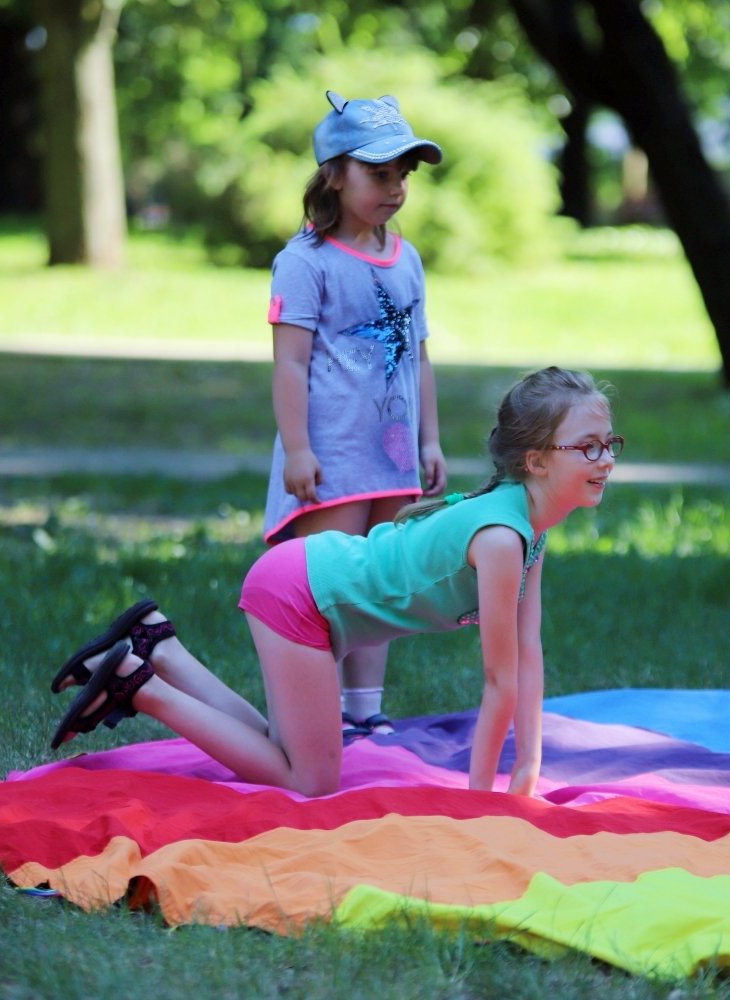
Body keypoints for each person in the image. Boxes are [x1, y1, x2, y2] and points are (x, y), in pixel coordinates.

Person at [49, 368, 621, 798]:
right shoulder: (501, 538)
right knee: (312, 782)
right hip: (301, 593)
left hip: (316, 590)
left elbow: (528, 655)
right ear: (537, 461)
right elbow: (499, 682)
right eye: (588, 446)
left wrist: (527, 772)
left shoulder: (528, 528)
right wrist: (480, 801)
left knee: (284, 750)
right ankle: (136, 685)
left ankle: (159, 649)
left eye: (609, 444)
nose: (606, 460)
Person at [264, 91, 448, 739]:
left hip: (392, 456)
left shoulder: (407, 259)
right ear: (334, 175)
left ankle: (365, 713)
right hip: (331, 453)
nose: (395, 188)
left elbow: (419, 357)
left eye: (403, 174)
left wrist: (430, 440)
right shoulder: (305, 261)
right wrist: (297, 450)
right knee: (330, 585)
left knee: (381, 586)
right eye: (379, 173)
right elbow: (289, 364)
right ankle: (311, 719)